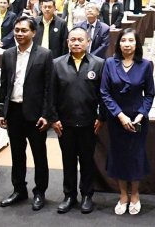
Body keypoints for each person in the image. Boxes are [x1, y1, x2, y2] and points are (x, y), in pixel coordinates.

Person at [0, 17, 54, 211]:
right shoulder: (8, 54)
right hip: (13, 111)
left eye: (24, 30)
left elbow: (49, 88)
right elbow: (4, 84)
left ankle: (40, 192)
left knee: (39, 155)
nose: (19, 34)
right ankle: (19, 190)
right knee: (17, 154)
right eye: (17, 30)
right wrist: (1, 111)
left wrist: (46, 114)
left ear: (33, 33)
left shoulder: (45, 55)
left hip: (35, 114)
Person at [49, 27, 105, 214]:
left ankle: (87, 195)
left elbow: (104, 95)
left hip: (90, 123)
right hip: (65, 124)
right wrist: (54, 119)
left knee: (88, 161)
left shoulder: (99, 64)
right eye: (72, 40)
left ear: (88, 42)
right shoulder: (57, 64)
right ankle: (69, 195)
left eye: (80, 39)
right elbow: (51, 95)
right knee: (68, 160)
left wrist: (101, 117)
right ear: (67, 42)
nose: (76, 43)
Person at [101, 28, 155, 216]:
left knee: (135, 156)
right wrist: (120, 115)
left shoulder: (146, 65)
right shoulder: (109, 63)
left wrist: (141, 114)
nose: (127, 44)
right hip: (117, 118)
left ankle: (135, 194)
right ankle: (123, 194)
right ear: (118, 44)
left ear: (136, 44)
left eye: (131, 40)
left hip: (137, 118)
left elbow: (149, 94)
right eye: (123, 40)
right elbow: (105, 93)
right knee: (119, 156)